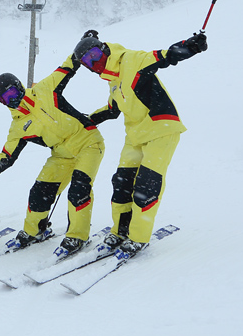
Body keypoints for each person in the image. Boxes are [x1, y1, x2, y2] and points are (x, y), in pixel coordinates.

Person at [73, 28, 207, 256]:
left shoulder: (131, 59)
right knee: (121, 183)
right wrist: (89, 119)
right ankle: (120, 230)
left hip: (161, 127)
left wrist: (191, 45)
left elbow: (165, 56)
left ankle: (138, 237)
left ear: (104, 49)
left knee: (147, 184)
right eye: (87, 62)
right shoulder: (112, 81)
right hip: (135, 135)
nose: (93, 63)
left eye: (95, 54)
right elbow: (113, 109)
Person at [0, 62, 106, 256]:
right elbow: (8, 155)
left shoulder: (45, 89)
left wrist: (84, 46)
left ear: (20, 86)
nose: (12, 99)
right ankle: (34, 231)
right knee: (40, 192)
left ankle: (77, 236)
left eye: (12, 92)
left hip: (88, 142)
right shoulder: (19, 126)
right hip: (61, 155)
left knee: (79, 189)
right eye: (5, 98)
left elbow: (68, 66)